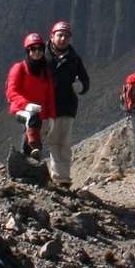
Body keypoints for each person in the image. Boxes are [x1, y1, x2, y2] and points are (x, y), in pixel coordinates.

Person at [41, 21, 89, 188]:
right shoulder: (41, 56)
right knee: (34, 139)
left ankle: (61, 179)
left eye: (66, 36)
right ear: (52, 36)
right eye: (59, 35)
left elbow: (85, 80)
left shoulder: (74, 60)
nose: (62, 38)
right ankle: (31, 174)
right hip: (44, 107)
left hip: (66, 108)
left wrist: (80, 87)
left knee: (61, 143)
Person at [4, 33, 56, 168]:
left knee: (34, 127)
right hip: (21, 109)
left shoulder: (45, 71)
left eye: (40, 49)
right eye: (33, 49)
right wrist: (26, 105)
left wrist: (51, 116)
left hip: (41, 113)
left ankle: (30, 164)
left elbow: (49, 95)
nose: (37, 52)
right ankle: (33, 150)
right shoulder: (19, 68)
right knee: (31, 122)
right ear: (28, 51)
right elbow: (11, 91)